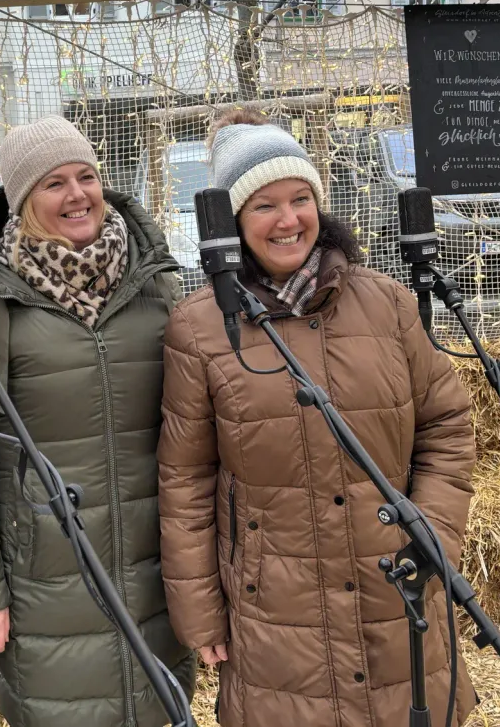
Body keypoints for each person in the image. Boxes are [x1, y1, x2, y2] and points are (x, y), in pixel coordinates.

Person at [157, 110, 477, 727]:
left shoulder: (386, 303)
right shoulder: (199, 329)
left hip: (397, 587)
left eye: (300, 198)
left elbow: (447, 425)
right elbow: (185, 481)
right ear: (231, 221)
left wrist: (432, 538)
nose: (288, 220)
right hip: (277, 612)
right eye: (264, 206)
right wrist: (199, 611)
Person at [0, 115, 196, 727]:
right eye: (53, 183)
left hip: (155, 564)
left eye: (87, 176)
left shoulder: (156, 287)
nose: (77, 195)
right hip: (44, 574)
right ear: (22, 202)